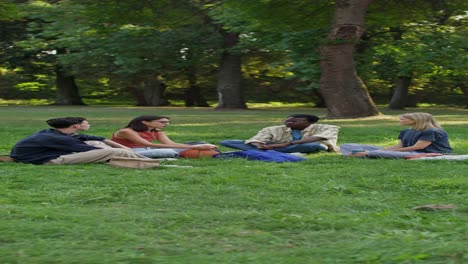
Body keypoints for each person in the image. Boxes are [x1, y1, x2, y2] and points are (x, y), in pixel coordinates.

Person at [10, 117, 149, 165]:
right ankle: (149, 162)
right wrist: (122, 150)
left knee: (98, 143)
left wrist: (126, 149)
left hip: (41, 155)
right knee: (113, 151)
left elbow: (93, 138)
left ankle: (141, 158)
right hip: (46, 160)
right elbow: (90, 150)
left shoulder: (54, 132)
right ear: (75, 126)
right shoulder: (58, 138)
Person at [340, 112, 453, 158]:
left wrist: (380, 152)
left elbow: (418, 148)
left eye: (404, 119)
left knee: (377, 152)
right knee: (347, 145)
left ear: (416, 120)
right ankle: (363, 153)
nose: (401, 120)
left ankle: (366, 154)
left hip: (426, 153)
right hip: (409, 150)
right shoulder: (407, 131)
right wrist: (383, 149)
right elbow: (399, 145)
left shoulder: (432, 131)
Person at [219, 114, 340, 154]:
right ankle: (263, 151)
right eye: (287, 120)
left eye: (294, 121)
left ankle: (270, 151)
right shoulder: (273, 129)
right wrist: (259, 145)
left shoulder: (328, 127)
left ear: (308, 122)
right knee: (227, 142)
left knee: (314, 145)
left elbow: (318, 138)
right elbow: (258, 138)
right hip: (277, 147)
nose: (288, 122)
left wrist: (287, 143)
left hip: (310, 146)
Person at [111, 115, 218, 158]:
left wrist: (197, 145)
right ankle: (187, 154)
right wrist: (193, 148)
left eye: (167, 122)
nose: (165, 124)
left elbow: (170, 144)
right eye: (162, 122)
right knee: (167, 152)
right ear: (145, 122)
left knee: (199, 142)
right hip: (131, 151)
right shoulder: (126, 131)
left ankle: (216, 154)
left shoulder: (158, 132)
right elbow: (146, 144)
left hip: (150, 149)